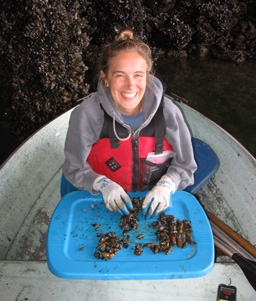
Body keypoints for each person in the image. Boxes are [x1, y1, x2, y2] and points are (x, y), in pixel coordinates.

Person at [63, 29, 197, 216]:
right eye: (120, 75)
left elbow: (186, 166)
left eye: (138, 75)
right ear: (105, 77)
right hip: (100, 201)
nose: (130, 85)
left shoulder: (169, 113)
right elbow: (73, 168)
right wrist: (102, 184)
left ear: (147, 76)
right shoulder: (87, 115)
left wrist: (167, 185)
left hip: (153, 203)